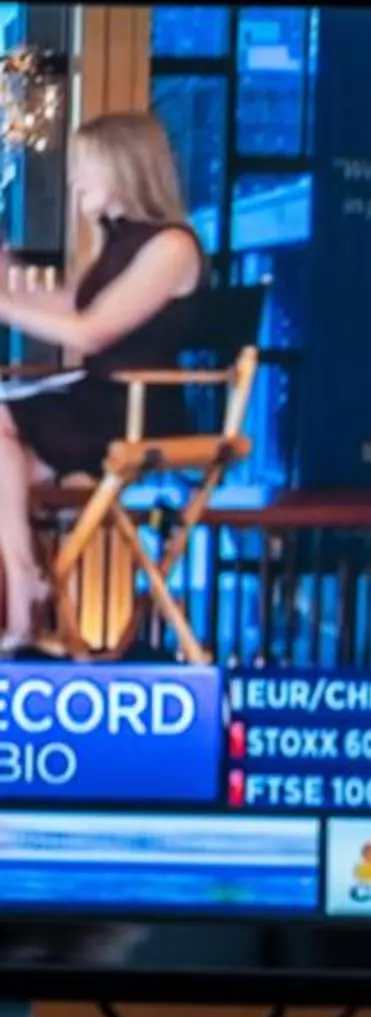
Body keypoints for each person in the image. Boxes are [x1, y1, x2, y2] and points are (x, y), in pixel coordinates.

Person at [0, 112, 205, 652]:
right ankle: (23, 602)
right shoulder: (119, 243)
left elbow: (89, 332)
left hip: (131, 409)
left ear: (122, 167)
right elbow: (64, 303)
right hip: (93, 401)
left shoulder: (171, 247)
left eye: (83, 167)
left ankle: (23, 587)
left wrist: (3, 303)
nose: (74, 181)